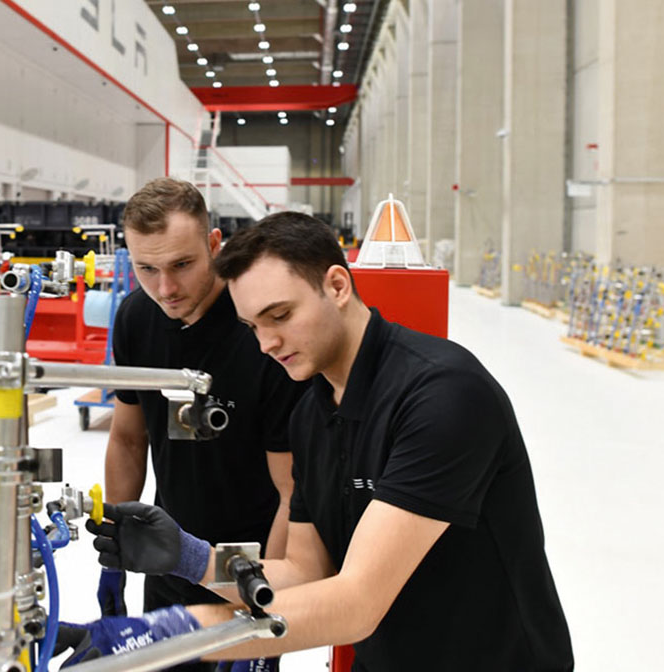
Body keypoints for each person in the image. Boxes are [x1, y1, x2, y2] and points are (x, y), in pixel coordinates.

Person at [65, 212, 574, 671]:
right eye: (252, 326)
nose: (266, 344)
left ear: (336, 285)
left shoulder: (443, 395)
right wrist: (192, 558)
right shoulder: (312, 412)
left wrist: (166, 634)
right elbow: (305, 573)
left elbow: (355, 602)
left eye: (280, 316)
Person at [101, 179, 305, 671]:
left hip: (249, 561)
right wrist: (115, 540)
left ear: (215, 245)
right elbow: (129, 438)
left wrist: (262, 597)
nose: (165, 288)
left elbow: (291, 490)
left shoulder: (258, 329)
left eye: (182, 265)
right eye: (146, 268)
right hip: (167, 556)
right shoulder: (135, 318)